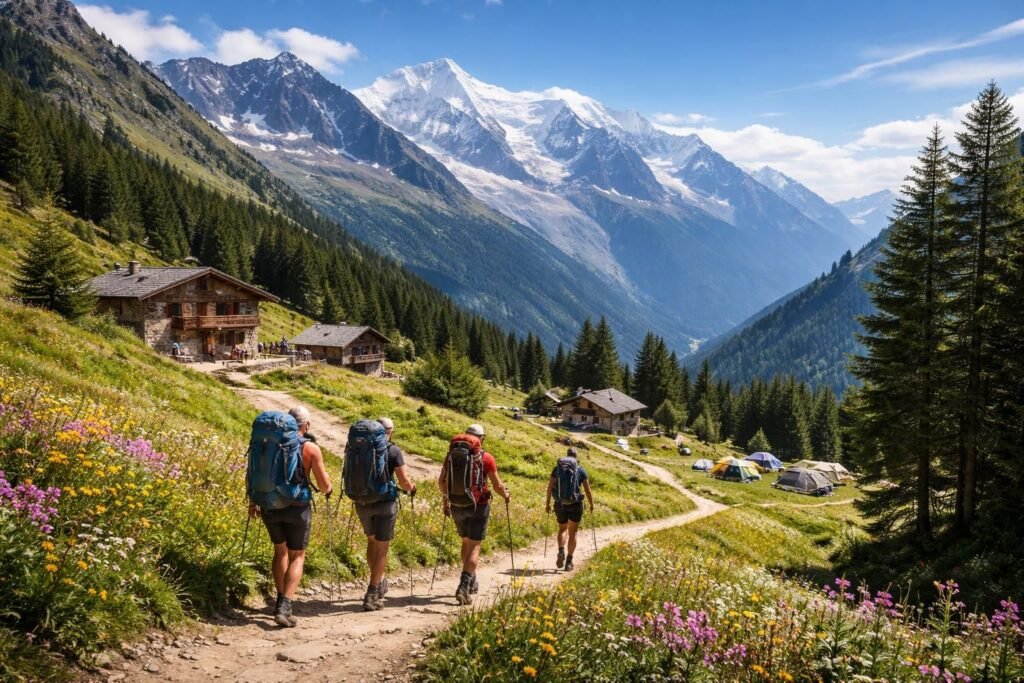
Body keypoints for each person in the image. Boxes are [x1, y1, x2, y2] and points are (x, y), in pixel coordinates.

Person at [248, 406, 332, 627]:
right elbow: (324, 486)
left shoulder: (268, 442)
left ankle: (279, 600)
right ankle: (285, 605)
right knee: (297, 556)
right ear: (306, 425)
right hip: (297, 506)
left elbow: (253, 471)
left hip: (268, 504)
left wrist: (252, 501)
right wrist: (329, 489)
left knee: (280, 550)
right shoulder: (310, 449)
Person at [438, 423, 510, 605]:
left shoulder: (451, 456)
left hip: (456, 504)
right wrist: (506, 495)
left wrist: (447, 500)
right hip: (479, 506)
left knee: (465, 542)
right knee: (475, 545)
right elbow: (497, 485)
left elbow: (441, 482)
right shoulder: (486, 458)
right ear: (481, 438)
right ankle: (464, 585)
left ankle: (471, 579)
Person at [358, 417, 416, 611]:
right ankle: (372, 592)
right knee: (382, 548)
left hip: (362, 502)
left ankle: (379, 579)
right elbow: (403, 482)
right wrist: (411, 488)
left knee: (372, 541)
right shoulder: (393, 450)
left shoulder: (357, 447)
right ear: (390, 431)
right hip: (384, 503)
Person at [545, 447, 594, 572]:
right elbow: (587, 490)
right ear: (576, 457)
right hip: (575, 504)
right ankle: (569, 561)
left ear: (566, 456)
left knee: (562, 529)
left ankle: (561, 550)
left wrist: (547, 504)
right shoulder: (581, 470)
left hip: (560, 504)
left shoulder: (557, 469)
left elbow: (550, 487)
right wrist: (591, 504)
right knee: (573, 532)